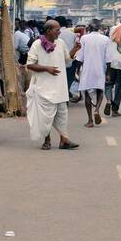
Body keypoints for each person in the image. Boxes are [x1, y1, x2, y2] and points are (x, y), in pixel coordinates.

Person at [25, 19, 79, 151]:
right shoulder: (37, 44)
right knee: (45, 116)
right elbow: (30, 65)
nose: (59, 32)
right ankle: (47, 140)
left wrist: (76, 48)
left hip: (60, 87)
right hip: (44, 87)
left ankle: (64, 140)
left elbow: (67, 58)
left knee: (62, 114)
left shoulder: (60, 43)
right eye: (57, 30)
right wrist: (47, 68)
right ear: (48, 31)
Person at [76, 19, 112, 127]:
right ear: (100, 28)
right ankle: (96, 109)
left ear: (89, 28)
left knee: (87, 93)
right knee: (100, 90)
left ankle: (90, 120)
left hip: (87, 69)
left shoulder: (84, 38)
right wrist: (108, 73)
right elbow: (108, 59)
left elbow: (80, 57)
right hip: (100, 68)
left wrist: (77, 70)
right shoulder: (105, 39)